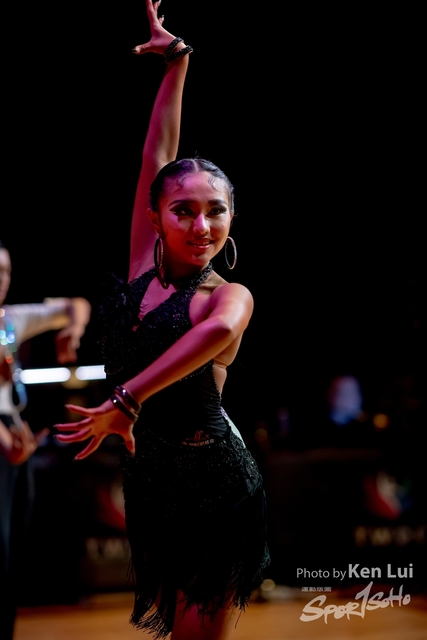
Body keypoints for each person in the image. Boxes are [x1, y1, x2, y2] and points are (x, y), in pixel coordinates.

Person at [54, 1, 270, 638]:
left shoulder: (227, 297)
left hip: (216, 485)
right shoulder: (140, 265)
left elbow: (218, 334)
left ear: (231, 218)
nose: (201, 225)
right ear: (155, 216)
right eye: (183, 210)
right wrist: (178, 64)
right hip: (153, 484)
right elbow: (158, 152)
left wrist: (127, 398)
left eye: (216, 211)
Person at [0, 238, 91, 639]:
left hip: (12, 434)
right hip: (5, 439)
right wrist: (6, 442)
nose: (1, 279)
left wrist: (73, 329)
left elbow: (76, 303)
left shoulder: (9, 320)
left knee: (12, 547)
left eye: (5, 271)